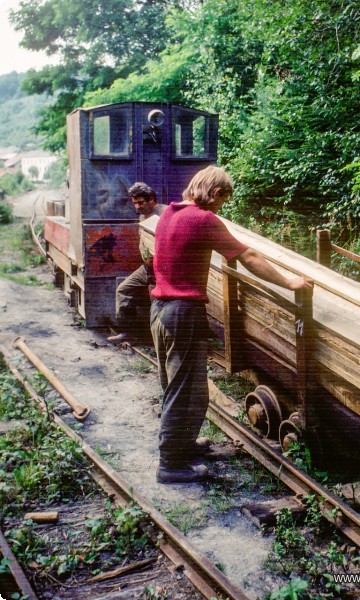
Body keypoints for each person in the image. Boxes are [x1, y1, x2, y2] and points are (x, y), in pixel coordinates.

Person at [150, 165, 314, 484]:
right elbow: (249, 256)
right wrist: (288, 281)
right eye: (224, 200)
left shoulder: (170, 213)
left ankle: (183, 447)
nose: (223, 206)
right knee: (184, 393)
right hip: (182, 314)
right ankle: (170, 465)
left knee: (186, 389)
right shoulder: (203, 219)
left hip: (160, 310)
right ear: (216, 194)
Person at [108, 182, 166, 344]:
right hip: (147, 268)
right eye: (135, 203)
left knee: (158, 305)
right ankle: (127, 332)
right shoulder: (143, 215)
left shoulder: (164, 213)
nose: (137, 206)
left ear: (152, 199)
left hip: (161, 269)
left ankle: (160, 342)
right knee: (123, 290)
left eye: (140, 202)